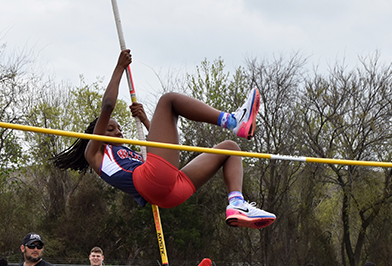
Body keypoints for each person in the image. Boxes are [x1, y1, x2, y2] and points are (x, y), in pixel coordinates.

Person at [52, 50, 275, 230]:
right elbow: (108, 106)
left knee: (230, 149)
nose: (118, 132)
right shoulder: (95, 154)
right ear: (97, 134)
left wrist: (146, 121)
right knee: (168, 101)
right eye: (110, 129)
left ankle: (236, 204)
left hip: (170, 192)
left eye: (119, 128)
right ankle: (234, 121)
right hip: (152, 182)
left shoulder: (127, 154)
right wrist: (119, 67)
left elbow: (163, 150)